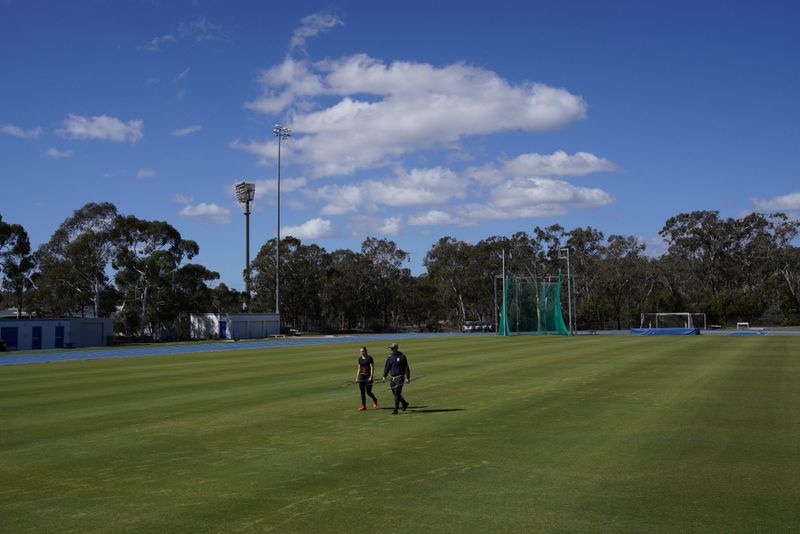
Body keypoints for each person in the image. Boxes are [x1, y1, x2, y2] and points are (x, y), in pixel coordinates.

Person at [382, 342, 410, 414]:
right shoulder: (390, 357)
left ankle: (396, 409)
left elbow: (406, 367)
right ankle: (404, 403)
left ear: (396, 348)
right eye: (390, 348)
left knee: (397, 393)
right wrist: (384, 376)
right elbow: (387, 367)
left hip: (400, 377)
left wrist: (407, 377)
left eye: (392, 348)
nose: (391, 349)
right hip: (392, 378)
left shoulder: (402, 356)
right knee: (395, 393)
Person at [355, 346, 378, 411]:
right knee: (362, 392)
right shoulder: (359, 359)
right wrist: (357, 378)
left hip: (368, 377)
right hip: (361, 377)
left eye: (363, 351)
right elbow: (359, 368)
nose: (361, 352)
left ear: (366, 351)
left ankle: (374, 399)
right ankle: (364, 406)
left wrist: (371, 376)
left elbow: (372, 367)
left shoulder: (369, 358)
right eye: (360, 351)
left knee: (368, 392)